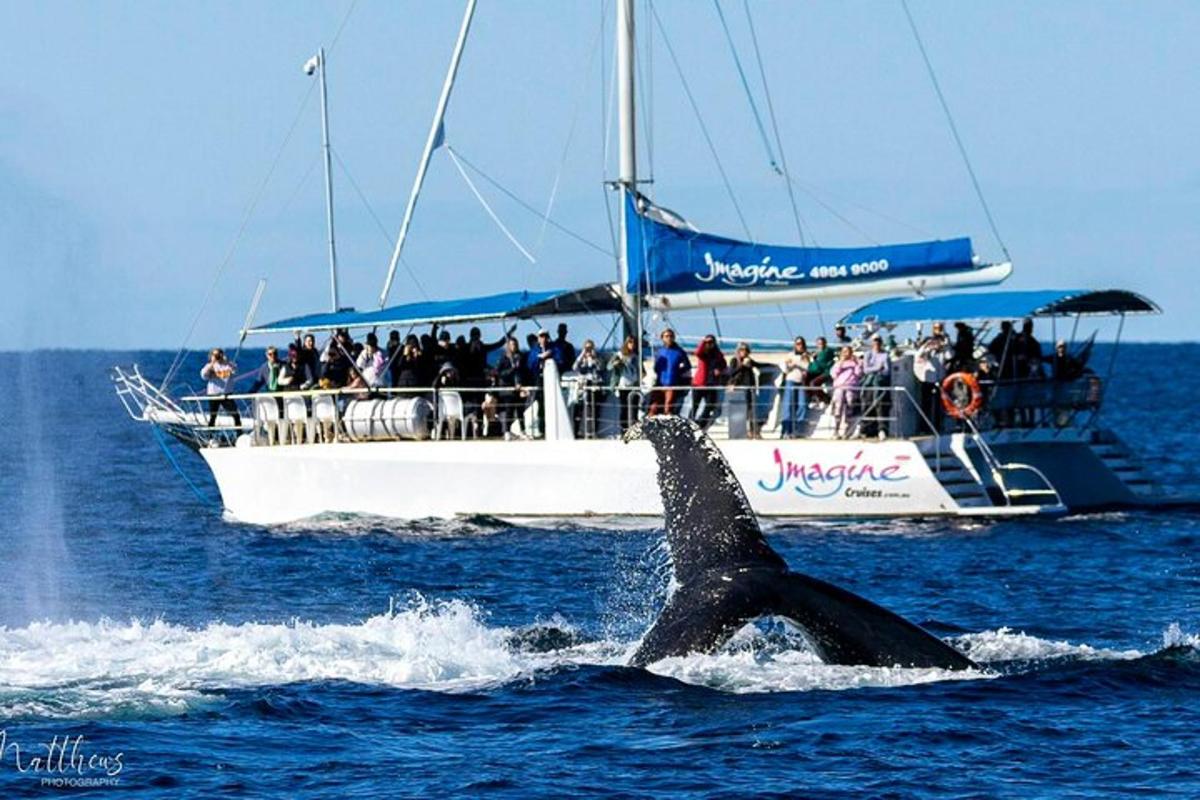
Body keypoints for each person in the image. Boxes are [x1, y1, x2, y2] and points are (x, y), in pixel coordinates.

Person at [914, 325, 950, 434]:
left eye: (938, 342)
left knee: (939, 406)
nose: (937, 344)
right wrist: (927, 346)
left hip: (939, 381)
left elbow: (950, 355)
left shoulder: (943, 352)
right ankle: (924, 428)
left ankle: (938, 427)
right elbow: (918, 355)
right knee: (926, 405)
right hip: (927, 381)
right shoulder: (927, 352)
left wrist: (945, 343)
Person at [648, 329, 690, 416]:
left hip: (672, 384)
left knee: (668, 408)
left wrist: (677, 371)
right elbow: (656, 367)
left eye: (671, 336)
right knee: (653, 407)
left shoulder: (679, 352)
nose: (669, 338)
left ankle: (667, 426)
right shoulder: (659, 352)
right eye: (666, 336)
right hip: (660, 383)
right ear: (662, 338)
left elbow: (687, 366)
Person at [726, 342, 765, 438]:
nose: (744, 352)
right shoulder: (735, 361)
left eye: (746, 350)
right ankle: (741, 432)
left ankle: (753, 432)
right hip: (739, 389)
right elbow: (731, 372)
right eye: (742, 350)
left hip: (749, 389)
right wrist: (742, 365)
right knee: (741, 411)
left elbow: (758, 365)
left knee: (751, 411)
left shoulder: (749, 361)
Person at [689, 335, 726, 431]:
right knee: (695, 405)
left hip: (711, 384)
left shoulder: (718, 354)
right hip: (699, 383)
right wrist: (703, 341)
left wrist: (719, 369)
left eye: (711, 342)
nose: (709, 344)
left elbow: (723, 363)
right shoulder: (703, 354)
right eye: (707, 342)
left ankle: (700, 424)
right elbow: (697, 352)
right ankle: (690, 423)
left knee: (710, 405)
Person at [859, 335, 892, 438]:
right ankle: (865, 430)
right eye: (875, 341)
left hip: (880, 382)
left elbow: (887, 371)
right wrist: (878, 367)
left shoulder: (885, 355)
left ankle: (882, 430)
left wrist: (875, 369)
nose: (876, 343)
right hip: (869, 383)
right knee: (867, 405)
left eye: (878, 341)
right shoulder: (868, 354)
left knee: (880, 406)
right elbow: (865, 369)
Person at [496, 336, 529, 438]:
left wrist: (522, 385)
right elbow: (500, 373)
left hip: (519, 387)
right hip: (508, 388)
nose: (514, 346)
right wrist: (512, 369)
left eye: (515, 344)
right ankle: (507, 431)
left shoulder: (520, 357)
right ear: (508, 346)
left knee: (520, 410)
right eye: (512, 344)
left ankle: (523, 431)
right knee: (509, 410)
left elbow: (524, 372)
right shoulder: (504, 358)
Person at [608, 336, 642, 432]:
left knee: (634, 409)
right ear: (626, 343)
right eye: (630, 342)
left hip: (634, 385)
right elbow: (609, 366)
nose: (632, 344)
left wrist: (640, 377)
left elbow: (641, 371)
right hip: (623, 386)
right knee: (624, 409)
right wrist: (616, 363)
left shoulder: (636, 356)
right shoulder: (619, 355)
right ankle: (624, 430)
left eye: (634, 342)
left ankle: (634, 430)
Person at [201, 348, 241, 429]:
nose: (217, 357)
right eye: (215, 355)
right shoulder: (209, 366)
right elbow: (203, 375)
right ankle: (210, 435)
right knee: (213, 417)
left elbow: (235, 371)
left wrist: (228, 363)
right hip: (213, 395)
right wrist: (212, 363)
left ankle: (239, 433)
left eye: (219, 354)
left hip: (226, 395)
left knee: (235, 414)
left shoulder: (228, 365)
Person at [572, 339, 605, 437]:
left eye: (590, 348)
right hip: (583, 386)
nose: (588, 350)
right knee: (579, 409)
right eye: (587, 348)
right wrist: (582, 355)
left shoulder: (597, 358)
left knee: (594, 411)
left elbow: (601, 368)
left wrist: (594, 358)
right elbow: (574, 367)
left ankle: (593, 432)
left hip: (594, 385)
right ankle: (576, 431)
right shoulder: (581, 359)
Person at [780, 336, 811, 438]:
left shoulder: (807, 355)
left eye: (801, 343)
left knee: (802, 405)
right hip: (791, 380)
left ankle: (798, 430)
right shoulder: (790, 355)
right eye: (797, 344)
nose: (800, 345)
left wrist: (796, 363)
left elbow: (807, 367)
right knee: (788, 406)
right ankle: (786, 430)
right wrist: (792, 364)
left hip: (801, 382)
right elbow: (785, 369)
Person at [830, 346, 863, 438]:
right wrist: (841, 362)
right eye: (844, 351)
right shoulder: (837, 363)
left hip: (851, 387)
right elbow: (833, 374)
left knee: (850, 405)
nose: (846, 353)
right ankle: (836, 431)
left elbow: (859, 374)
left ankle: (847, 431)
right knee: (838, 407)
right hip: (839, 387)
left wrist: (857, 363)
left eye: (848, 351)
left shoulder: (856, 363)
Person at [804, 336, 836, 405]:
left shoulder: (826, 352)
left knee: (813, 383)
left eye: (822, 343)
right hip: (821, 371)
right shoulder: (819, 353)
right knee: (805, 378)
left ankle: (826, 399)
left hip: (827, 373)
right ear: (816, 344)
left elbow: (817, 367)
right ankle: (813, 397)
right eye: (819, 344)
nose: (821, 345)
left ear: (825, 344)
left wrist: (810, 361)